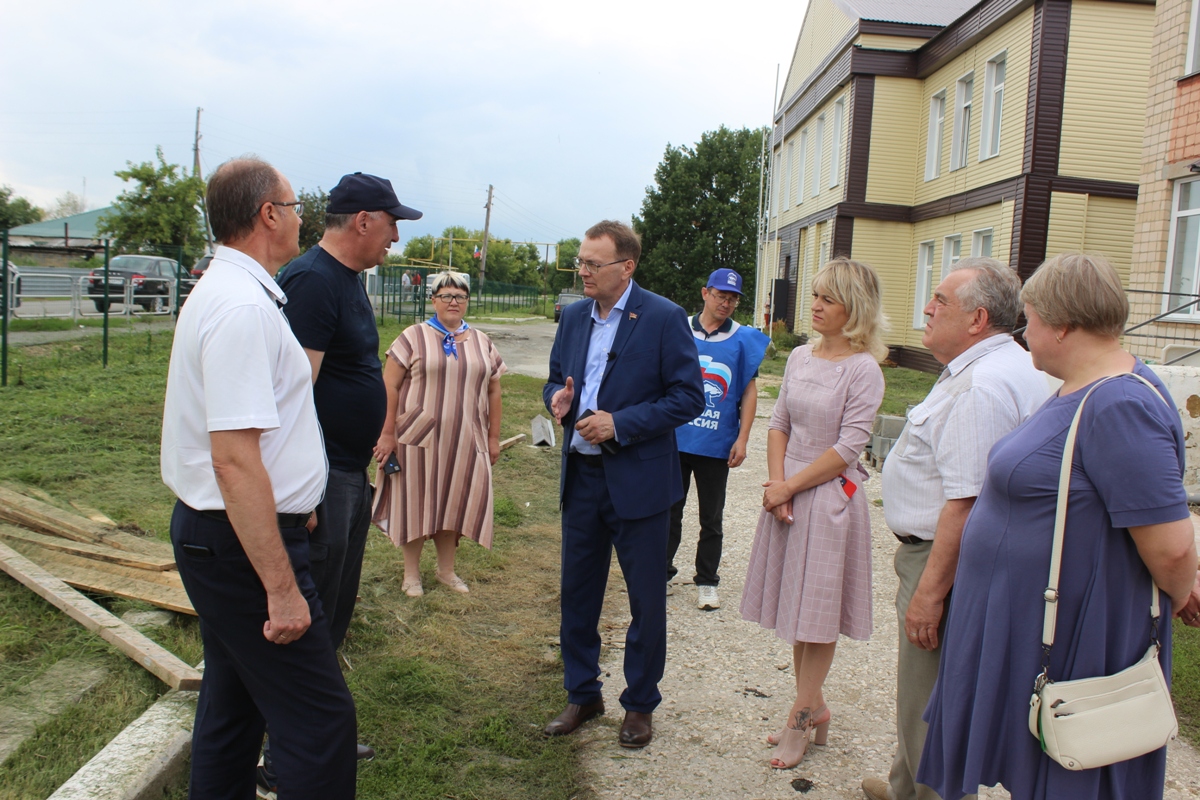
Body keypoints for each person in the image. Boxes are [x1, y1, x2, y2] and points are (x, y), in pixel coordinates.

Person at [918, 253, 1199, 800]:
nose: (1025, 334)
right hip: (1038, 623)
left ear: (1064, 324)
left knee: (1072, 769)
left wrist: (1183, 585)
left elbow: (1169, 546)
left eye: (1032, 319)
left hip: (1073, 634)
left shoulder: (1119, 403)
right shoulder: (1086, 386)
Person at [161, 156, 356, 800]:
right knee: (319, 722)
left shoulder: (234, 293)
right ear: (268, 214)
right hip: (242, 542)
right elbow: (234, 459)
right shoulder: (242, 307)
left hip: (227, 534)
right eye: (297, 206)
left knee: (232, 709)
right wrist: (280, 587)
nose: (302, 217)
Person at [861, 258, 1049, 800]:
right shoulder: (997, 367)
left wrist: (929, 594)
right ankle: (905, 787)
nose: (927, 307)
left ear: (977, 319)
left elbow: (965, 503)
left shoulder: (981, 386)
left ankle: (926, 793)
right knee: (923, 693)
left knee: (928, 699)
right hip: (958, 558)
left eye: (941, 300)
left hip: (943, 560)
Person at [258, 172, 421, 789]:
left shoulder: (348, 281)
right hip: (320, 474)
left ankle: (317, 733)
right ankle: (286, 752)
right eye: (392, 223)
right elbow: (288, 396)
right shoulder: (312, 281)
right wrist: (300, 493)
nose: (396, 236)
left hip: (348, 468)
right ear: (362, 220)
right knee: (312, 606)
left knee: (334, 608)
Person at [541, 220, 704, 749]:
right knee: (578, 594)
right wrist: (556, 402)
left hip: (638, 481)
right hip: (583, 478)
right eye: (580, 262)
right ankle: (582, 692)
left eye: (593, 263)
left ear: (626, 266)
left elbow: (688, 397)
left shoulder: (663, 317)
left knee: (645, 601)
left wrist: (621, 423)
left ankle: (639, 705)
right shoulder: (571, 317)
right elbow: (554, 379)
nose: (582, 271)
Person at [740, 258, 887, 770]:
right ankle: (813, 704)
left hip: (829, 498)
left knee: (817, 614)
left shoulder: (864, 369)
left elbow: (848, 447)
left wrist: (791, 488)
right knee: (799, 609)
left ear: (855, 308)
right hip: (791, 490)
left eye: (828, 298)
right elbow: (778, 421)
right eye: (816, 295)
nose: (816, 305)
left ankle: (801, 717)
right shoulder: (801, 356)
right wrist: (778, 486)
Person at [372, 270, 504, 596]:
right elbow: (388, 385)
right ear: (433, 300)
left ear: (467, 301)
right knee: (416, 502)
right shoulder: (412, 337)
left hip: (465, 440)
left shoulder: (482, 342)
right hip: (417, 439)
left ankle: (446, 571)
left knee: (453, 503)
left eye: (460, 296)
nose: (453, 301)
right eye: (445, 295)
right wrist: (387, 433)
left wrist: (492, 437)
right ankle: (411, 575)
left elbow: (494, 392)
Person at [668, 268, 770, 610]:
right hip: (675, 437)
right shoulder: (678, 326)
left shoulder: (744, 339)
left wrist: (743, 438)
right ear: (705, 293)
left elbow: (749, 391)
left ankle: (707, 580)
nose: (726, 303)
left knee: (711, 516)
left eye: (732, 298)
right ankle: (660, 571)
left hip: (716, 443)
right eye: (720, 295)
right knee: (669, 509)